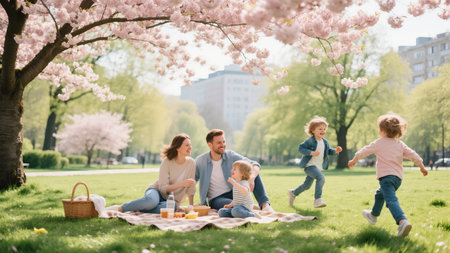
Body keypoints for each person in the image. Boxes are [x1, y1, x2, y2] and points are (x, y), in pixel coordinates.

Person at [348, 113, 428, 237]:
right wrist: (422, 167)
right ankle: (373, 215)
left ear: (383, 131)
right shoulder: (400, 144)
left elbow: (365, 150)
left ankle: (402, 221)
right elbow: (414, 155)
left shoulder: (379, 143)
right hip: (397, 179)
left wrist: (354, 159)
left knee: (391, 200)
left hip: (386, 178)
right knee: (380, 194)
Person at [107, 134, 196, 213]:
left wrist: (191, 207)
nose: (190, 147)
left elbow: (191, 187)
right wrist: (181, 184)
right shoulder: (167, 162)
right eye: (187, 145)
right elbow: (163, 188)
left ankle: (139, 207)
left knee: (172, 207)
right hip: (156, 191)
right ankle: (120, 208)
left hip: (170, 200)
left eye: (190, 145)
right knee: (151, 202)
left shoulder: (191, 163)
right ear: (178, 148)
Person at [195, 129, 274, 212]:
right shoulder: (200, 161)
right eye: (219, 143)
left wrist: (252, 177)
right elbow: (192, 180)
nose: (223, 145)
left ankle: (265, 206)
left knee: (253, 171)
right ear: (210, 145)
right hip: (217, 199)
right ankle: (249, 207)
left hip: (235, 192)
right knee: (236, 206)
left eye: (224, 142)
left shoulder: (230, 155)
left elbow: (254, 164)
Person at [288, 116, 342, 208]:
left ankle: (293, 193)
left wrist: (335, 151)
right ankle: (318, 200)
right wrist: (311, 152)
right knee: (321, 177)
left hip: (317, 167)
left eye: (324, 129)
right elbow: (300, 148)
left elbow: (328, 151)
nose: (323, 131)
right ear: (313, 130)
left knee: (307, 185)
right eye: (320, 129)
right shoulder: (310, 141)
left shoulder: (325, 142)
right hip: (309, 166)